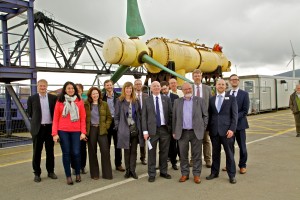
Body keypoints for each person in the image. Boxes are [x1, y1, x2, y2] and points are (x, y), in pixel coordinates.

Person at [52, 81, 87, 185]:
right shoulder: (59, 101)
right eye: (68, 88)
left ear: (75, 90)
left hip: (76, 131)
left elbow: (83, 117)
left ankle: (77, 173)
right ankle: (68, 176)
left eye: (72, 88)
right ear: (65, 90)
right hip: (63, 131)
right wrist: (54, 133)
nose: (71, 90)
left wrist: (83, 132)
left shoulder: (79, 101)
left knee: (76, 152)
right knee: (66, 153)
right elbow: (55, 118)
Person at [173, 82, 208, 184]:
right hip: (182, 132)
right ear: (182, 91)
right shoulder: (177, 102)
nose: (188, 91)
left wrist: (203, 128)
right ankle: (185, 174)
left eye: (189, 89)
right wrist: (174, 131)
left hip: (196, 132)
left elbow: (205, 115)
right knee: (183, 155)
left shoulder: (200, 100)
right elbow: (174, 118)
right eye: (185, 89)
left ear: (191, 89)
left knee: (196, 155)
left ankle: (196, 175)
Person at [206, 79, 238, 184]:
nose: (220, 86)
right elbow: (210, 115)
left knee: (229, 154)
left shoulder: (232, 98)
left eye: (222, 84)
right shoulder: (211, 99)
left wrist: (232, 129)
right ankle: (214, 172)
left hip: (227, 132)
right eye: (219, 84)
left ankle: (232, 175)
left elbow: (234, 116)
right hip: (214, 131)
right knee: (215, 153)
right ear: (215, 86)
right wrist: (208, 129)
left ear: (225, 86)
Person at [27, 79, 58, 183]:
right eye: (40, 86)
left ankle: (50, 171)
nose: (42, 87)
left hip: (49, 128)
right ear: (37, 86)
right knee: (37, 152)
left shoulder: (53, 98)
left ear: (47, 86)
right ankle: (37, 173)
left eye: (44, 86)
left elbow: (55, 112)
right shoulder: (32, 98)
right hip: (38, 129)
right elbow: (30, 113)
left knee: (50, 151)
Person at [142, 81, 172, 182]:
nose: (156, 88)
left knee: (164, 152)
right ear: (151, 88)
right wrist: (145, 131)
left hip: (164, 130)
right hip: (152, 131)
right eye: (154, 86)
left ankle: (163, 171)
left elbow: (171, 114)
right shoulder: (147, 100)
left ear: (161, 88)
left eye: (158, 86)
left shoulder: (166, 99)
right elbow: (144, 117)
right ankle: (152, 173)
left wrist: (171, 129)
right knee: (151, 152)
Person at [115, 82, 144, 179]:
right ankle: (127, 170)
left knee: (134, 151)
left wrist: (140, 127)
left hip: (134, 129)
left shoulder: (136, 100)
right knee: (126, 151)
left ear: (132, 89)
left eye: (130, 88)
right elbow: (117, 116)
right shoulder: (119, 101)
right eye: (127, 88)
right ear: (124, 89)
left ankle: (133, 170)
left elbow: (139, 115)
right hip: (124, 129)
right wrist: (118, 127)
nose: (129, 90)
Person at [222, 74, 249, 174]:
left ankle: (242, 165)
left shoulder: (244, 94)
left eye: (236, 80)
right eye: (232, 80)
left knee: (242, 146)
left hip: (240, 125)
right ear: (229, 81)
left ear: (239, 81)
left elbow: (245, 110)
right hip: (229, 127)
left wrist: (234, 117)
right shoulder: (226, 94)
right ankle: (230, 164)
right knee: (229, 147)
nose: (234, 81)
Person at [84, 87, 113, 180]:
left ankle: (107, 174)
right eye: (93, 94)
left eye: (96, 93)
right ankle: (95, 174)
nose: (95, 95)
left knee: (105, 151)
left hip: (102, 129)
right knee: (92, 152)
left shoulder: (104, 104)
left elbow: (109, 117)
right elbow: (83, 119)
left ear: (99, 94)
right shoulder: (86, 104)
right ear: (90, 95)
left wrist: (106, 126)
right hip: (91, 129)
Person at [102, 80, 125, 172]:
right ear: (105, 86)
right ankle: (107, 165)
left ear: (113, 86)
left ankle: (118, 164)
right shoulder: (102, 97)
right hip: (106, 122)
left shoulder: (119, 96)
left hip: (116, 122)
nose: (109, 86)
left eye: (110, 85)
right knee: (106, 145)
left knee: (117, 145)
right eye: (107, 85)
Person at [191, 69, 212, 168]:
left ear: (201, 76)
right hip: (192, 119)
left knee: (206, 140)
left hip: (204, 119)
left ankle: (208, 160)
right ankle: (193, 159)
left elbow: (211, 104)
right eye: (195, 75)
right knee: (193, 140)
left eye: (198, 75)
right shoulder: (190, 88)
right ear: (193, 77)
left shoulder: (207, 88)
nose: (197, 77)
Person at [160, 81, 179, 170]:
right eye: (162, 89)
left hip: (172, 126)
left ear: (169, 87)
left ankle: (174, 162)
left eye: (165, 88)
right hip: (163, 126)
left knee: (173, 146)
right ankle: (162, 163)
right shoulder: (158, 98)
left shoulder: (175, 97)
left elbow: (178, 112)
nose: (164, 90)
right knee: (163, 146)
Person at [71, 83, 87, 175]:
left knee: (83, 148)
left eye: (79, 89)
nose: (77, 90)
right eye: (76, 89)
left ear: (82, 90)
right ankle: (74, 166)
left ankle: (82, 166)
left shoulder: (85, 100)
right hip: (74, 128)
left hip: (83, 127)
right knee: (73, 149)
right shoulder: (71, 101)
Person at [134, 79, 148, 165]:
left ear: (142, 85)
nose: (138, 85)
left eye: (140, 84)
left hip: (144, 121)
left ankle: (143, 157)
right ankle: (134, 158)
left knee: (143, 140)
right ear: (134, 85)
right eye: (137, 84)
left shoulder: (146, 96)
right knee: (134, 140)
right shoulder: (132, 96)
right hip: (135, 121)